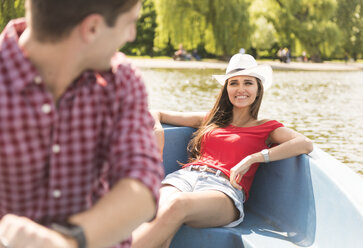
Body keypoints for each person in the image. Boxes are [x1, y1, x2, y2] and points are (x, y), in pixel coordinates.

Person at [0, 0, 164, 248]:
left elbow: (143, 182)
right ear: (92, 28)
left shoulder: (122, 80)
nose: (131, 36)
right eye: (130, 22)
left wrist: (67, 240)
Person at [131, 54, 313, 248]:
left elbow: (304, 143)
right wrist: (157, 128)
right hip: (185, 177)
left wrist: (254, 158)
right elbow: (155, 112)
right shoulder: (211, 119)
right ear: (226, 89)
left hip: (224, 189)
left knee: (176, 205)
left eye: (248, 83)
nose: (240, 89)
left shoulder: (267, 127)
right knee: (155, 213)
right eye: (233, 83)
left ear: (258, 89)